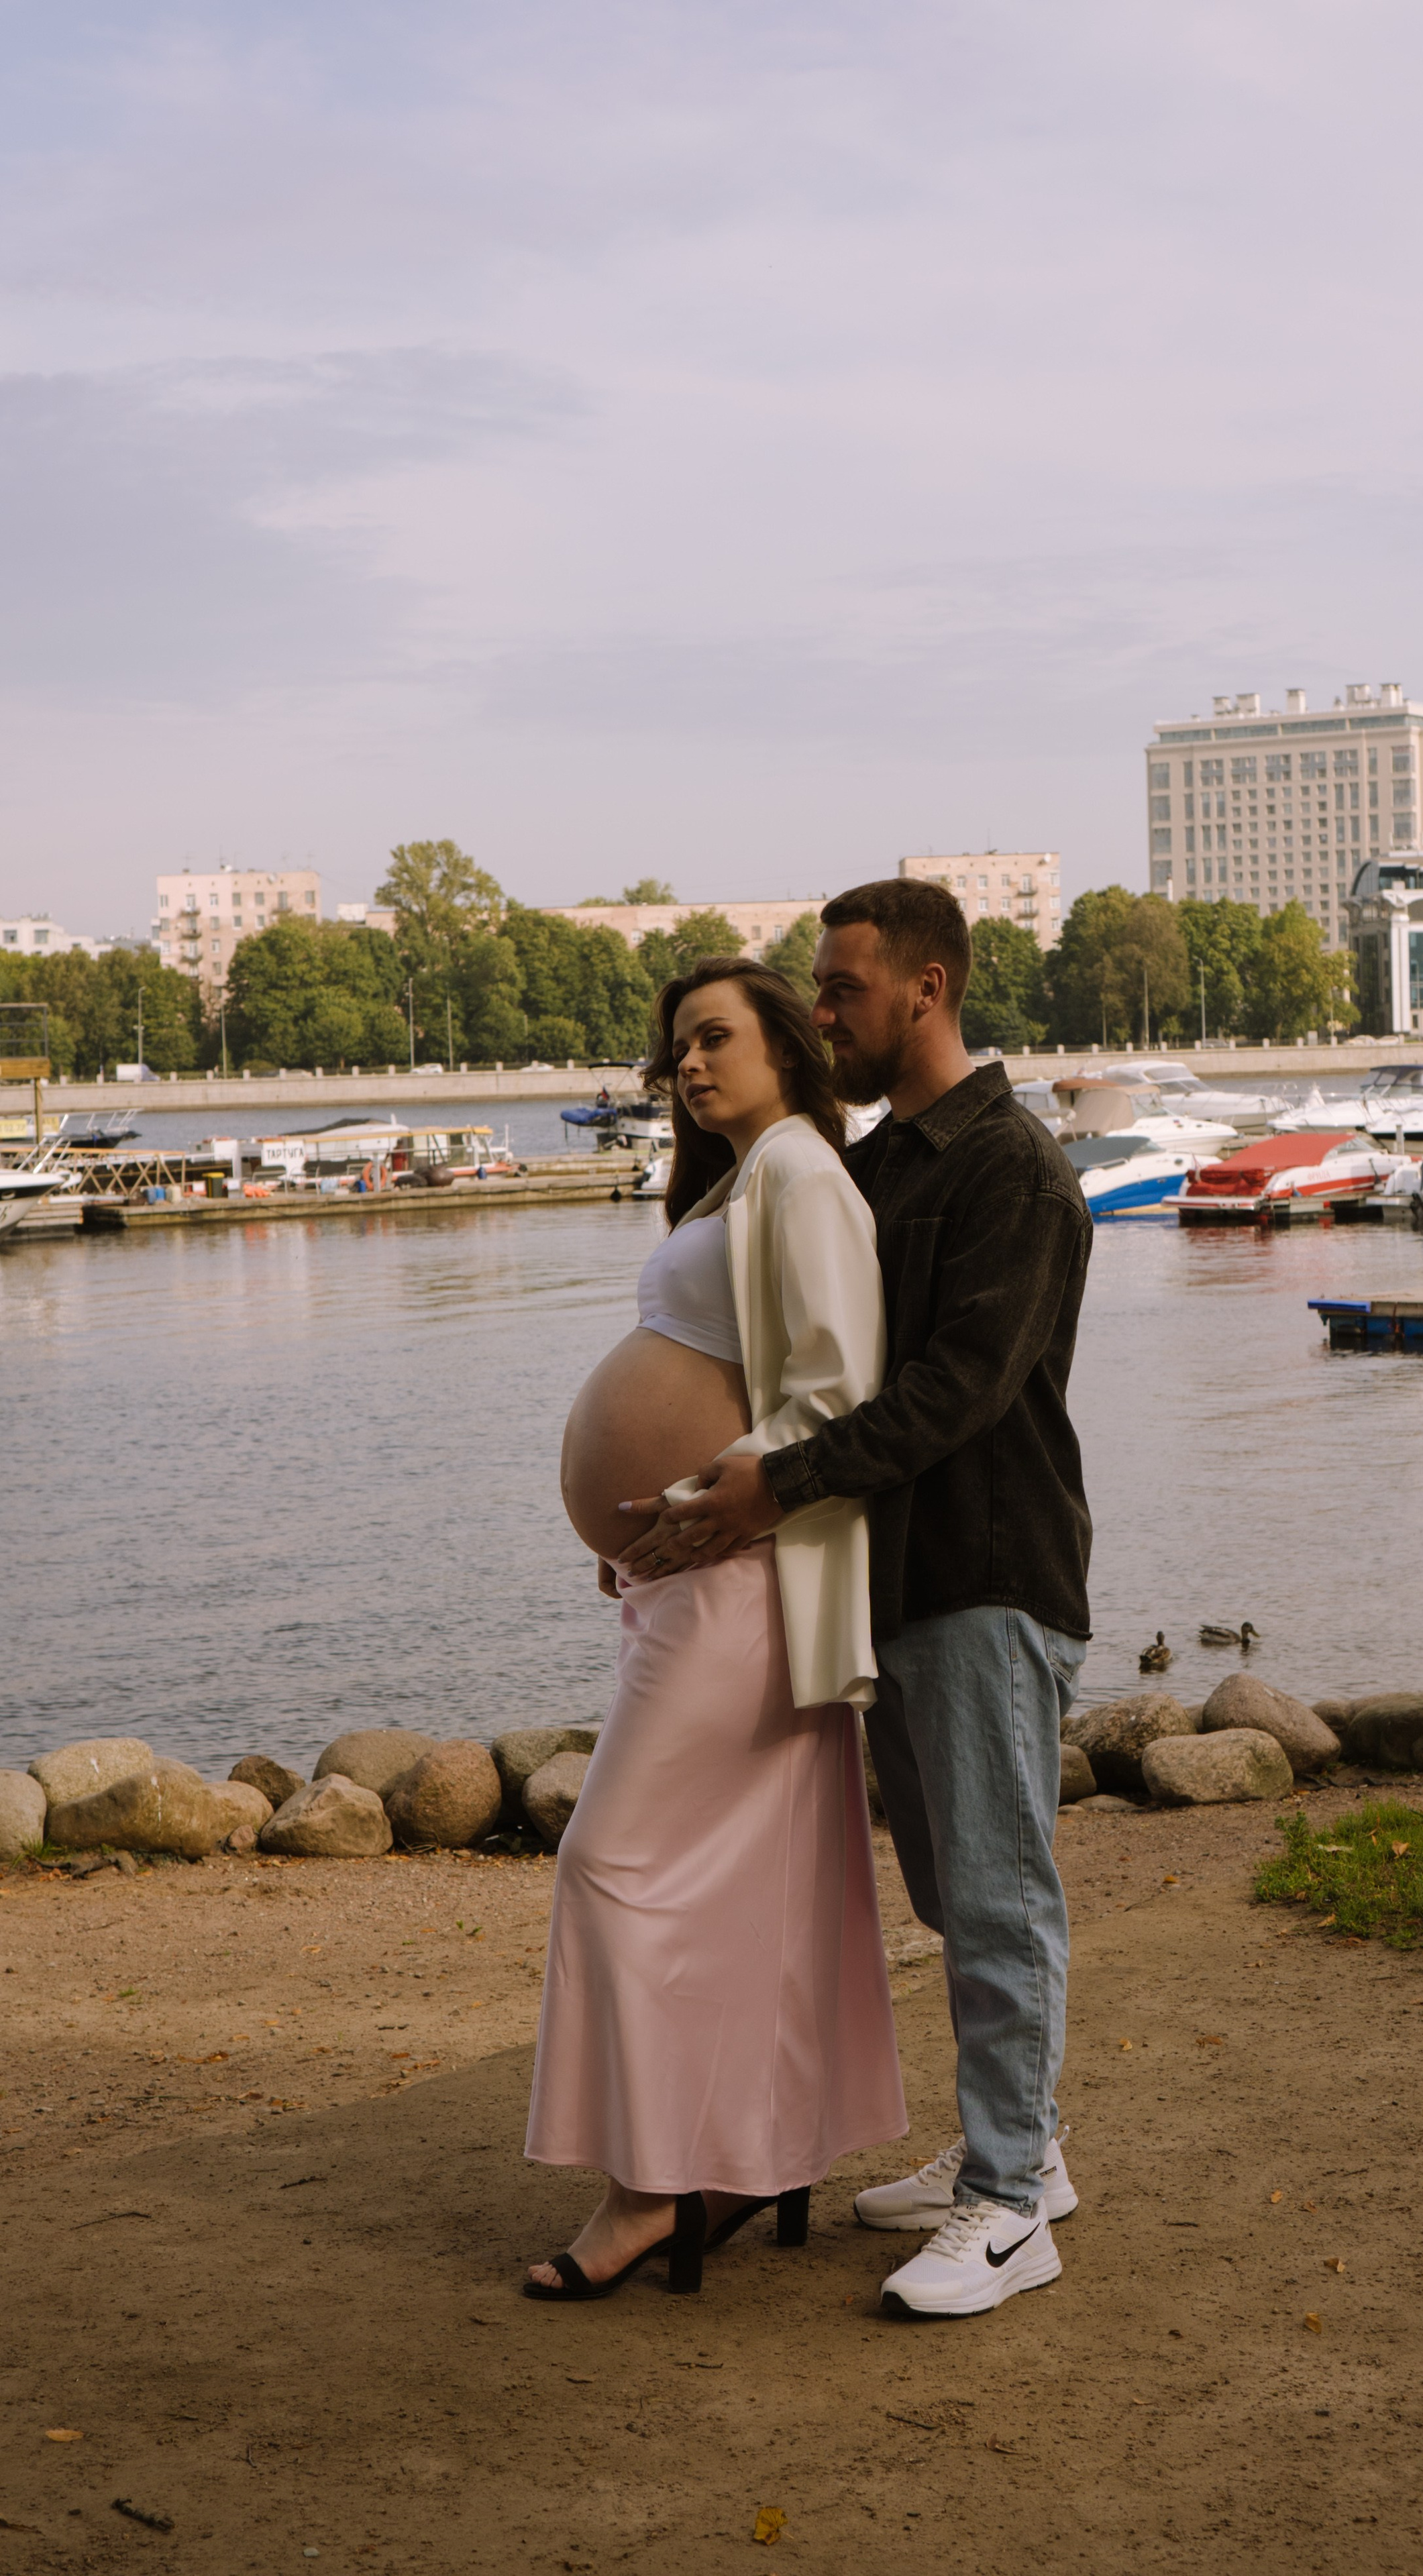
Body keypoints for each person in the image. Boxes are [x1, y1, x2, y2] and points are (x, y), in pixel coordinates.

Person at [617, 880, 1093, 2320]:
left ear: (927, 989)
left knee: (999, 1893)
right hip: (891, 1582)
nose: (820, 1013)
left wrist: (775, 1486)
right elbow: (798, 1367)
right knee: (953, 1891)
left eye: (840, 989)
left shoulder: (1010, 1164)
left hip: (986, 1572)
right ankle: (1027, 2155)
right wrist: (693, 1493)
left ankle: (1011, 2209)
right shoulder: (877, 1166)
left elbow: (953, 1391)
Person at [523, 957, 906, 2302]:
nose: (687, 1065)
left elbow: (839, 1385)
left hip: (741, 1580)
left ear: (786, 1050)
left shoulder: (802, 1174)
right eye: (674, 1047)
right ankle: (748, 2155)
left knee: (610, 1864)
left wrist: (697, 1499)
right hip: (690, 1580)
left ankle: (648, 2189)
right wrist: (638, 1535)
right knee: (749, 1887)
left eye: (712, 1039)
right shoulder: (748, 1180)